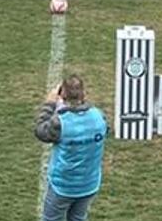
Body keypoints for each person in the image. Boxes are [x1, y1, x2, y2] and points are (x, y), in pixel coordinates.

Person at [35, 75, 108, 221]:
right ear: (84, 94)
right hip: (89, 184)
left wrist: (49, 104)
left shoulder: (60, 122)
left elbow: (40, 131)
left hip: (63, 186)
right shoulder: (99, 116)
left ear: (62, 95)